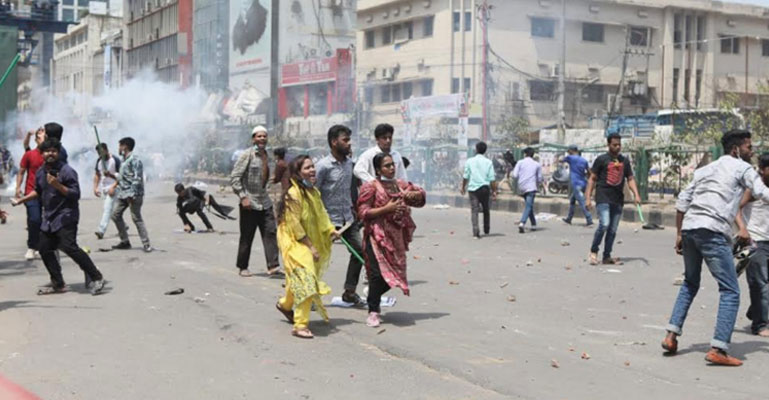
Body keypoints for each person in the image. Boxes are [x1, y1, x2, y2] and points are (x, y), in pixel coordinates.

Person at [662, 129, 769, 366]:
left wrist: (679, 234)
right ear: (736, 149)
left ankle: (671, 335)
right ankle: (719, 348)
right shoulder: (743, 168)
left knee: (690, 283)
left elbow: (682, 201)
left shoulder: (705, 169)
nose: (752, 152)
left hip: (691, 228)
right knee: (730, 291)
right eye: (748, 147)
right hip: (712, 231)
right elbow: (762, 192)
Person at [11, 138, 106, 295]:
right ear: (42, 153)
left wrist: (58, 185)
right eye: (47, 151)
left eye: (54, 151)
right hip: (50, 218)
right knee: (44, 248)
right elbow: (38, 191)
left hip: (66, 215)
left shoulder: (67, 171)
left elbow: (75, 194)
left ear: (58, 153)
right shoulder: (41, 172)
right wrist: (22, 199)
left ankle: (96, 277)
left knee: (69, 246)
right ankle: (58, 283)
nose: (50, 154)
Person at [274, 155, 340, 338]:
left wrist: (330, 230)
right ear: (298, 173)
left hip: (305, 238)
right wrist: (310, 247)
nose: (312, 170)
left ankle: (285, 305)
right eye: (307, 168)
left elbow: (321, 214)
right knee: (306, 278)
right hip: (293, 240)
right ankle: (300, 325)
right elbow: (294, 226)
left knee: (299, 279)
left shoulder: (313, 192)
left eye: (313, 167)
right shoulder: (293, 195)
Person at [357, 153, 425, 328]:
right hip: (377, 236)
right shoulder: (371, 187)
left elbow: (421, 197)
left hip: (396, 238)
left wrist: (414, 196)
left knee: (396, 274)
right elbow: (363, 212)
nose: (391, 168)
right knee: (377, 274)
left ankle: (373, 293)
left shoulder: (401, 185)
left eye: (392, 165)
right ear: (378, 169)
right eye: (386, 166)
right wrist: (386, 209)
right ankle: (373, 310)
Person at [316, 125, 366, 306]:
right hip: (327, 220)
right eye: (345, 140)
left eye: (349, 140)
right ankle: (310, 294)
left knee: (360, 251)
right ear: (334, 142)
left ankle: (349, 291)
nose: (349, 143)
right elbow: (313, 193)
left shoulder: (349, 164)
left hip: (348, 219)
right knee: (317, 257)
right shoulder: (323, 166)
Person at [230, 125, 281, 277]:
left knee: (270, 232)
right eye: (259, 136)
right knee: (247, 235)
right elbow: (235, 178)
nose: (262, 139)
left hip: (265, 201)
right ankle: (243, 266)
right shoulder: (247, 155)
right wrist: (243, 196)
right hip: (249, 202)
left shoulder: (269, 156)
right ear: (253, 139)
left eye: (264, 136)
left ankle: (273, 266)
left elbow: (270, 179)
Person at [585, 134, 641, 265]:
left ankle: (606, 256)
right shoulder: (601, 160)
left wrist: (636, 195)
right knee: (604, 224)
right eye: (614, 144)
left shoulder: (624, 161)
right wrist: (587, 198)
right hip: (603, 197)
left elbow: (630, 179)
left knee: (613, 229)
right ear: (608, 145)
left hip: (617, 199)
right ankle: (593, 251)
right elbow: (592, 179)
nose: (617, 147)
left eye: (619, 144)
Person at [736, 153, 769, 337]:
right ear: (763, 169)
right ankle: (760, 325)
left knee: (763, 284)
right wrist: (742, 229)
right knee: (760, 284)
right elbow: (735, 207)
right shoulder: (754, 189)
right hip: (756, 241)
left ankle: (755, 311)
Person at [109, 137, 152, 252]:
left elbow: (137, 178)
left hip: (133, 194)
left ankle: (146, 243)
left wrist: (132, 194)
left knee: (136, 218)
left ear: (125, 146)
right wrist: (110, 175)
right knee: (115, 215)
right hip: (123, 193)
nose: (118, 148)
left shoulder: (135, 160)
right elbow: (124, 177)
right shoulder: (124, 161)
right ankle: (125, 241)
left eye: (120, 146)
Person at [16, 129, 46, 260]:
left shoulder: (50, 155)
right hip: (30, 192)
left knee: (44, 222)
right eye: (40, 138)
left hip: (47, 193)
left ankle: (41, 246)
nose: (43, 140)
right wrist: (18, 187)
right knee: (34, 219)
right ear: (36, 140)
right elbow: (21, 172)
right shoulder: (29, 154)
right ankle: (32, 247)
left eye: (45, 137)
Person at [460, 141, 497, 238]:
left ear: (476, 150)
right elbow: (492, 179)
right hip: (485, 188)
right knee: (486, 209)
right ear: (485, 150)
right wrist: (494, 191)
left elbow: (466, 176)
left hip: (473, 189)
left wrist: (463, 187)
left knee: (474, 210)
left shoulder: (469, 161)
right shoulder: (488, 162)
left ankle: (475, 231)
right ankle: (486, 228)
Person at [92, 143, 121, 239]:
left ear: (106, 150)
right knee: (111, 211)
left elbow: (121, 177)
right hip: (104, 188)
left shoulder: (115, 160)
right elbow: (97, 175)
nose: (100, 154)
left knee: (107, 209)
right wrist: (95, 188)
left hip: (114, 187)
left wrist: (113, 185)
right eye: (98, 152)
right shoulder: (99, 161)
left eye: (101, 152)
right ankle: (123, 226)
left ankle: (101, 230)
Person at [512, 147, 543, 234]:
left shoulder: (520, 162)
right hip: (531, 187)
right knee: (529, 206)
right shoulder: (537, 164)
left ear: (525, 154)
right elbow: (540, 178)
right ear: (533, 155)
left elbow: (514, 175)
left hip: (521, 187)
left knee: (529, 206)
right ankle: (522, 222)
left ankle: (533, 224)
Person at [561, 145, 593, 226]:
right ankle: (569, 218)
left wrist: (562, 158)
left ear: (571, 151)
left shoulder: (570, 158)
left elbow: (561, 160)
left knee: (582, 202)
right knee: (572, 201)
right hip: (583, 182)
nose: (568, 152)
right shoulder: (584, 160)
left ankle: (589, 220)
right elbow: (589, 172)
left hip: (575, 184)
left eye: (569, 151)